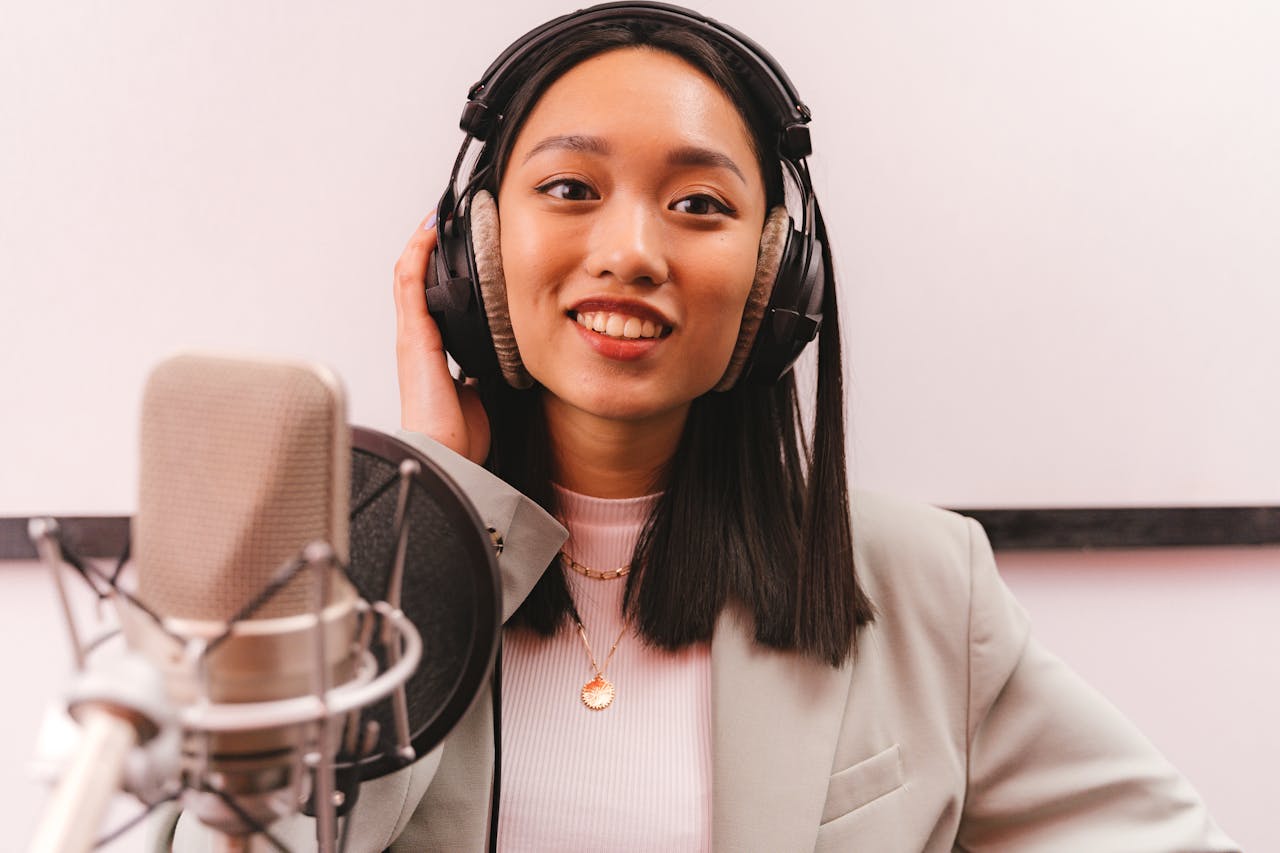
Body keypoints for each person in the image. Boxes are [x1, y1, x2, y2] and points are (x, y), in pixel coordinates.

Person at [165, 3, 1237, 851]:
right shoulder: (331, 574)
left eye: (698, 206)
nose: (630, 252)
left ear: (776, 279)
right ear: (472, 255)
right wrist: (432, 496)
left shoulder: (922, 583)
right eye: (571, 187)